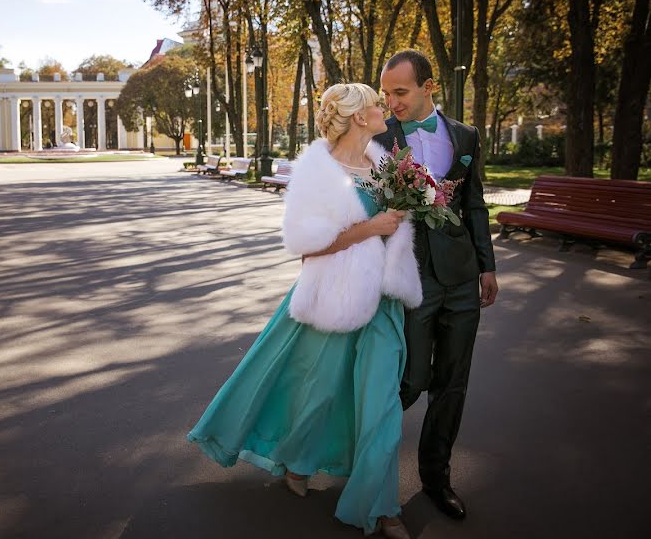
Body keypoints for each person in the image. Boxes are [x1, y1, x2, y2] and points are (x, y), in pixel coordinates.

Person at [187, 83, 420, 538]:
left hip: (385, 300)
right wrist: (369, 228)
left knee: (382, 405)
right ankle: (297, 461)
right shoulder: (316, 171)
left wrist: (408, 213)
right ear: (357, 116)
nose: (383, 109)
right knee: (318, 395)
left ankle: (382, 506)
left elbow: (397, 223)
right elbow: (307, 249)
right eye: (375, 104)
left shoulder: (385, 162)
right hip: (338, 296)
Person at [375, 50, 498, 521]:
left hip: (463, 277)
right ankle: (365, 464)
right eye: (386, 93)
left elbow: (475, 204)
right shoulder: (379, 137)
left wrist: (487, 266)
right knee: (409, 381)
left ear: (429, 87)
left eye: (400, 92)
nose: (392, 103)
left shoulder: (466, 136)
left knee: (452, 384)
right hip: (410, 277)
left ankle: (436, 478)